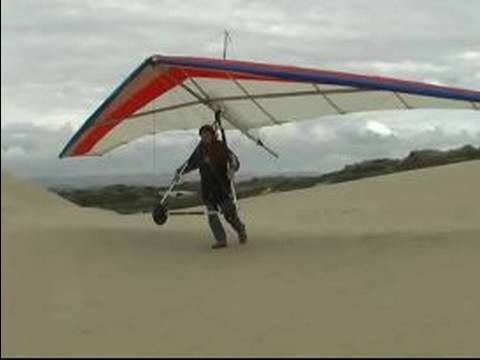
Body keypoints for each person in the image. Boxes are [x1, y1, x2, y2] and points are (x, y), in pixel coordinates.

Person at [176, 122, 247, 249]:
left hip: (222, 187)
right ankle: (221, 240)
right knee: (212, 216)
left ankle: (240, 229)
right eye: (202, 136)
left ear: (212, 135)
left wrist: (232, 168)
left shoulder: (221, 147)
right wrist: (180, 171)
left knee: (229, 214)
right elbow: (190, 164)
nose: (205, 138)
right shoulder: (200, 151)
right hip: (208, 188)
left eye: (207, 135)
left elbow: (234, 159)